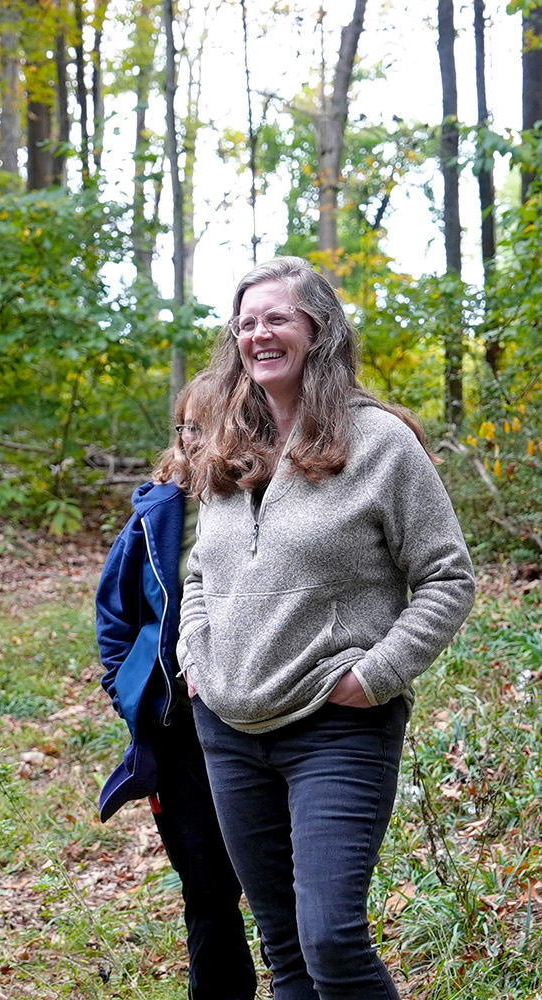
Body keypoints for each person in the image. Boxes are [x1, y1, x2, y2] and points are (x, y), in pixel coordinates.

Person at [178, 256, 475, 1000]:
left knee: (331, 941)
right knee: (284, 951)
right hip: (229, 729)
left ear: (319, 328)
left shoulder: (378, 443)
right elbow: (199, 575)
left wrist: (373, 676)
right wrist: (196, 653)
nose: (260, 334)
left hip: (334, 727)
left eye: (277, 317)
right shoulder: (228, 443)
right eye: (246, 323)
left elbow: (448, 576)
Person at [95, 377, 257, 1000]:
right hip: (179, 727)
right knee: (208, 889)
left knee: (281, 886)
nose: (195, 439)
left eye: (209, 424)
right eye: (187, 426)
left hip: (265, 714)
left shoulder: (274, 498)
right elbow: (116, 612)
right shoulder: (159, 512)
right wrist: (129, 691)